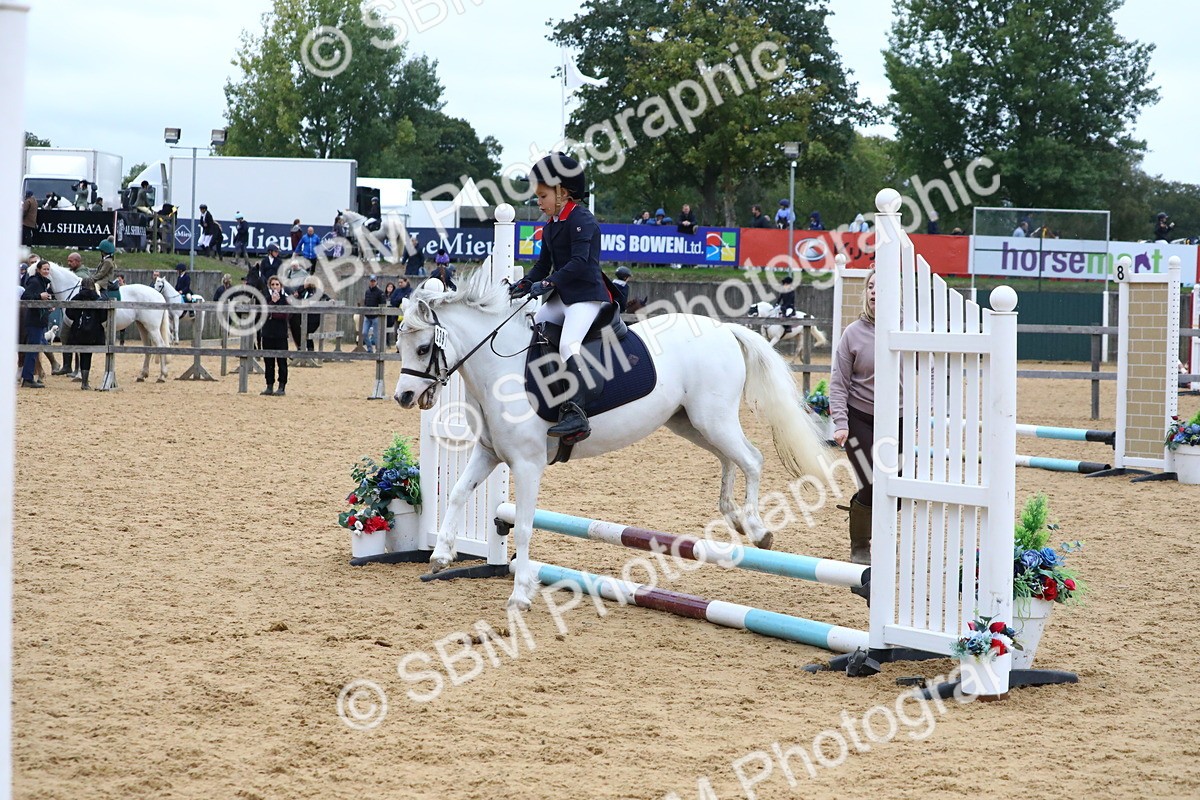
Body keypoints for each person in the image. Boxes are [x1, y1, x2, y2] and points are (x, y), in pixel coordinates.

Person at [509, 152, 609, 444]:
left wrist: (548, 282)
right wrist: (526, 282)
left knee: (568, 343)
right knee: (534, 331)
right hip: (563, 295)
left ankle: (576, 414)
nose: (538, 202)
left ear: (563, 192)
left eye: (542, 196)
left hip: (586, 295)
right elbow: (543, 265)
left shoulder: (582, 220)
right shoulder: (551, 224)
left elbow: (579, 262)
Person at [829, 269, 876, 567]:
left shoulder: (908, 328)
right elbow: (838, 381)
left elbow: (931, 373)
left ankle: (864, 515)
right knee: (871, 481)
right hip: (859, 417)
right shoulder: (853, 333)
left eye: (880, 287)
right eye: (870, 286)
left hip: (896, 419)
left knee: (894, 486)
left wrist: (921, 415)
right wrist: (841, 423)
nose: (874, 291)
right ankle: (860, 545)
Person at [64, 277, 105, 390]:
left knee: (81, 353)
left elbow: (69, 313)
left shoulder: (76, 298)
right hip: (93, 331)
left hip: (78, 330)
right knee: (87, 355)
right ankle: (85, 382)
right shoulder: (98, 299)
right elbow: (103, 316)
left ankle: (81, 378)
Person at [21, 260, 53, 389]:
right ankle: (27, 377)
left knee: (35, 349)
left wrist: (47, 304)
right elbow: (25, 296)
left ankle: (28, 376)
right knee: (33, 349)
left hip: (39, 320)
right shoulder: (35, 282)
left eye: (48, 269)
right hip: (34, 320)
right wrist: (40, 296)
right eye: (44, 269)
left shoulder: (43, 282)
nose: (46, 271)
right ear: (38, 270)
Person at [260, 275, 289, 396]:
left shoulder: (286, 300)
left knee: (282, 361)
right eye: (273, 284)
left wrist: (274, 312)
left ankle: (282, 386)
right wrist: (272, 304)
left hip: (280, 334)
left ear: (281, 286)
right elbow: (263, 314)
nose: (275, 287)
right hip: (267, 333)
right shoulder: (266, 299)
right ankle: (269, 385)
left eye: (277, 284)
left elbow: (285, 316)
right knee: (268, 361)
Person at [362, 275, 386, 353]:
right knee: (364, 333)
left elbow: (383, 304)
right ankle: (369, 349)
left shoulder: (380, 293)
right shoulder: (367, 292)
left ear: (376, 282)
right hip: (367, 316)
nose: (372, 283)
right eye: (371, 281)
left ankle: (378, 350)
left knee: (376, 335)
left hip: (376, 317)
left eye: (374, 281)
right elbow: (366, 302)